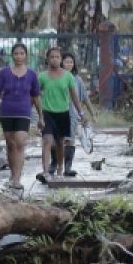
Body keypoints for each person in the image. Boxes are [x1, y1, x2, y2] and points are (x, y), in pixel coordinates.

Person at [0, 43, 43, 191]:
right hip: (7, 112)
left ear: (26, 56)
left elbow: (36, 97)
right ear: (12, 55)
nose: (19, 56)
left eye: (22, 53)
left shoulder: (32, 75)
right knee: (10, 144)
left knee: (20, 143)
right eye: (16, 53)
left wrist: (41, 117)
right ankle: (12, 175)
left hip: (24, 113)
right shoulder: (4, 73)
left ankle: (17, 180)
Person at [36, 47, 88, 184]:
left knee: (60, 143)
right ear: (47, 59)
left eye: (57, 57)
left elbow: (74, 97)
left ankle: (60, 168)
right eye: (52, 57)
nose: (55, 59)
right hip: (47, 113)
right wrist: (38, 115)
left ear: (61, 59)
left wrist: (81, 113)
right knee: (47, 141)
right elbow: (35, 96)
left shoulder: (68, 76)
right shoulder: (42, 76)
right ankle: (46, 171)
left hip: (63, 113)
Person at [50, 52, 95, 176]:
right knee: (55, 141)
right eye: (66, 61)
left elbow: (84, 98)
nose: (69, 64)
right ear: (61, 62)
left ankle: (67, 168)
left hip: (72, 114)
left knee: (69, 140)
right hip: (56, 112)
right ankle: (53, 165)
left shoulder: (77, 79)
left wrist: (90, 114)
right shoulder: (53, 76)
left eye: (71, 62)